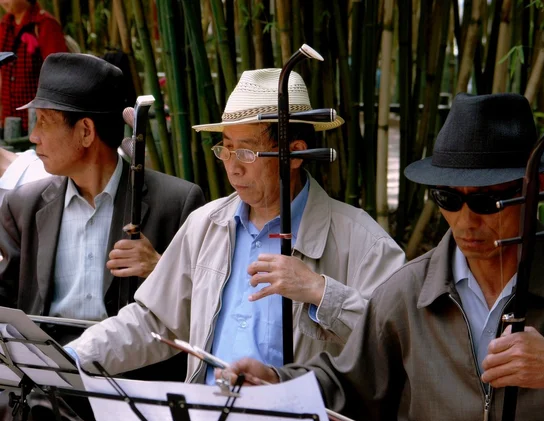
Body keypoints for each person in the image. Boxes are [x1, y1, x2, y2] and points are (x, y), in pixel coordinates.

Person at [225, 93, 544, 421]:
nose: (466, 222)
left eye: (488, 201)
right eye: (449, 199)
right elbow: (349, 384)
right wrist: (276, 382)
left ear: (537, 189)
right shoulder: (408, 293)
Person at [66, 68, 406, 385]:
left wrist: (321, 291)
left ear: (296, 153)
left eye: (246, 153)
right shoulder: (205, 225)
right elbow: (153, 321)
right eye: (225, 150)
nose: (233, 168)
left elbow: (400, 344)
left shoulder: (363, 241)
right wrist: (73, 358)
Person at [0, 53, 205, 382]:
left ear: (85, 131)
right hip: (43, 383)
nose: (34, 136)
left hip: (132, 383)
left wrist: (160, 267)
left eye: (43, 121)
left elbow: (208, 308)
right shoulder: (23, 205)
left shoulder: (176, 203)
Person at [0, 0, 67, 134]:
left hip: (38, 120)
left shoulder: (44, 24)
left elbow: (59, 75)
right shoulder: (4, 25)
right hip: (8, 119)